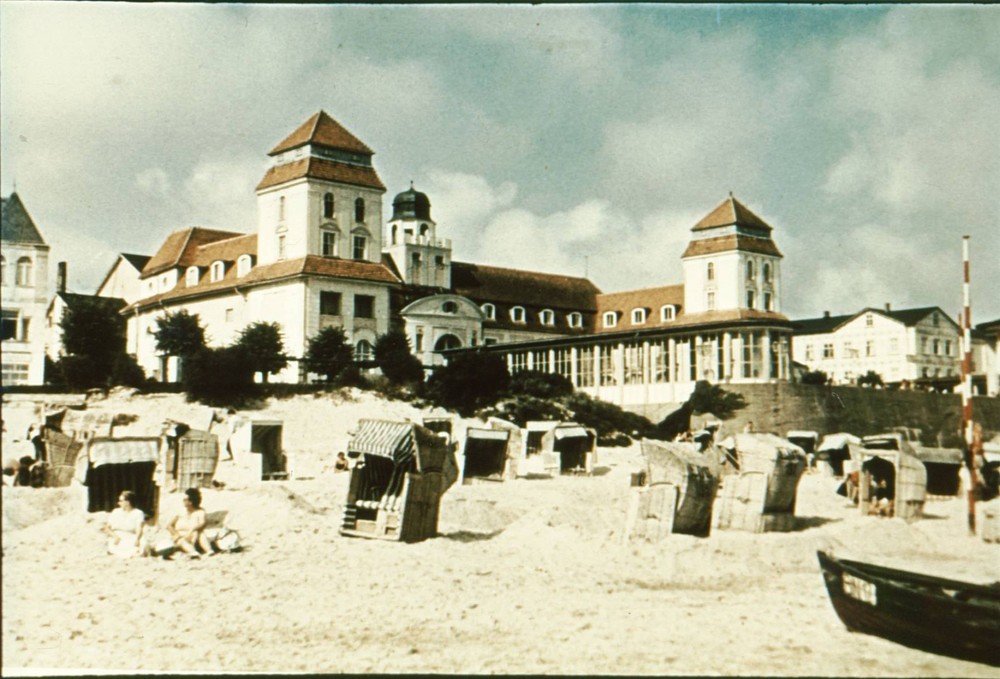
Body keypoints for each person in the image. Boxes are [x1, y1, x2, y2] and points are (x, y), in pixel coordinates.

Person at [166, 488, 212, 559]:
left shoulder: (200, 512)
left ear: (191, 502)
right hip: (180, 536)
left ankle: (209, 551)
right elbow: (169, 526)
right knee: (180, 540)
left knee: (201, 534)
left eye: (185, 500)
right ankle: (193, 553)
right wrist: (177, 535)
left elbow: (202, 523)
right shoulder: (180, 511)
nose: (183, 501)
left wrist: (192, 530)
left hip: (194, 536)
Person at [102, 490, 146, 558]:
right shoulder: (115, 512)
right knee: (116, 547)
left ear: (128, 502)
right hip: (118, 536)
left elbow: (139, 528)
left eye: (121, 501)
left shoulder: (138, 513)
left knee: (140, 546)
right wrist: (115, 536)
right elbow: (107, 528)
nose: (119, 503)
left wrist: (137, 539)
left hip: (131, 535)